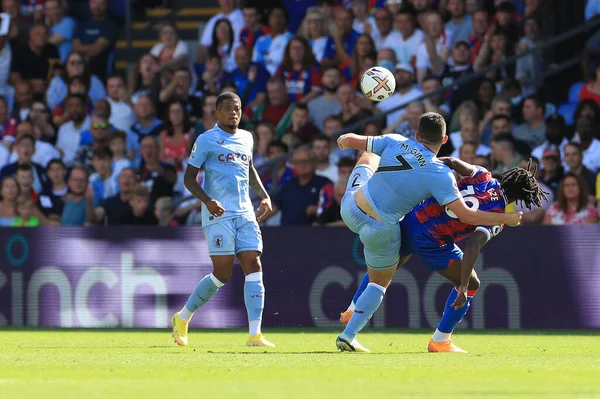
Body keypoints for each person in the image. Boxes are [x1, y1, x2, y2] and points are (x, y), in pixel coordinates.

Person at [334, 112, 523, 352]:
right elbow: (468, 221)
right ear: (444, 139)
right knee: (381, 280)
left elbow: (348, 139)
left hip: (352, 209)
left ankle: (352, 309)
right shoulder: (441, 176)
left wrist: (343, 140)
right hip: (395, 231)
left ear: (416, 134)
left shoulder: (396, 140)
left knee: (368, 157)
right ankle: (438, 340)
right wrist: (505, 218)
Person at [171, 92, 275, 347]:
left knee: (253, 262)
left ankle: (255, 334)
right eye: (227, 109)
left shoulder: (247, 138)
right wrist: (207, 200)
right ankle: (183, 317)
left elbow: (249, 170)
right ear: (216, 113)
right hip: (218, 214)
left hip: (244, 212)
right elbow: (188, 179)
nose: (233, 113)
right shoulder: (206, 140)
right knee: (223, 273)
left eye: (237, 108)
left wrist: (264, 196)